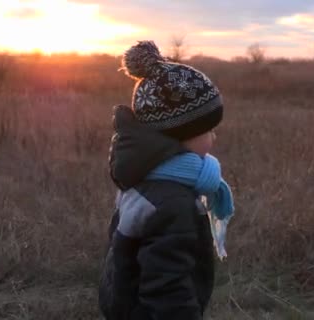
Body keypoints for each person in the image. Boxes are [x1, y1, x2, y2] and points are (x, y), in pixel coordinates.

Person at [99, 41, 234, 320]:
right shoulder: (173, 202)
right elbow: (167, 285)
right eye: (207, 130)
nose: (214, 138)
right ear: (178, 136)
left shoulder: (146, 179)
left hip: (128, 305)